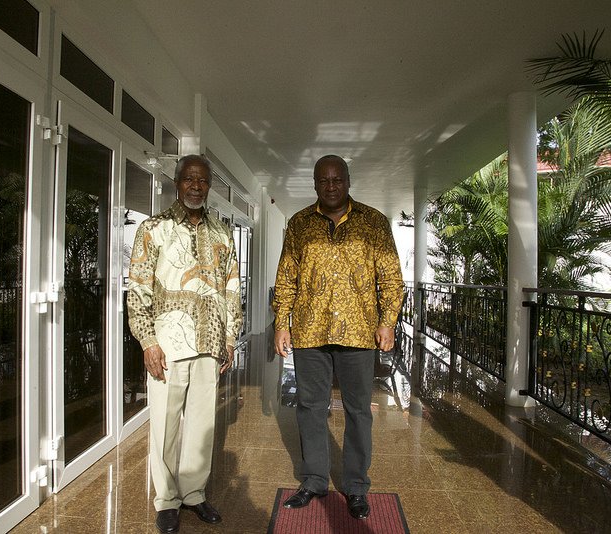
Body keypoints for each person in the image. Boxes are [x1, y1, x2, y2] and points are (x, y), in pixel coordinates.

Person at [273, 154, 404, 520]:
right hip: (310, 330)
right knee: (310, 408)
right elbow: (286, 277)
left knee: (359, 410)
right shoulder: (299, 224)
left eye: (337, 180)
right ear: (314, 184)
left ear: (348, 181)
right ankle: (314, 480)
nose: (330, 186)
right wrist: (281, 323)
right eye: (323, 180)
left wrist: (387, 321)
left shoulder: (374, 222)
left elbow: (391, 278)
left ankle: (356, 485)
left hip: (359, 331)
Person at [127, 154, 242, 534]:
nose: (196, 186)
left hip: (210, 343)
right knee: (164, 424)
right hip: (168, 343)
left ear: (209, 187)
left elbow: (232, 290)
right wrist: (147, 340)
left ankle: (193, 494)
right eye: (189, 179)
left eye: (203, 181)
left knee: (201, 425)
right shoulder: (153, 228)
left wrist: (230, 337)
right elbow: (139, 289)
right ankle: (167, 500)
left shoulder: (223, 233)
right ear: (176, 183)